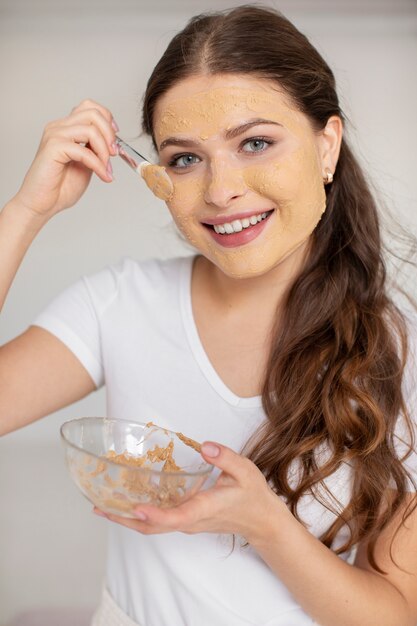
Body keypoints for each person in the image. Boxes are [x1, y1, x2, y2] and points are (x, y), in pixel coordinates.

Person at [1, 5, 416, 626]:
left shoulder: (397, 350)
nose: (220, 191)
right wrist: (27, 210)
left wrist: (266, 526)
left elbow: (395, 614)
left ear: (326, 146)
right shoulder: (119, 304)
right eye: (185, 159)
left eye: (256, 143)